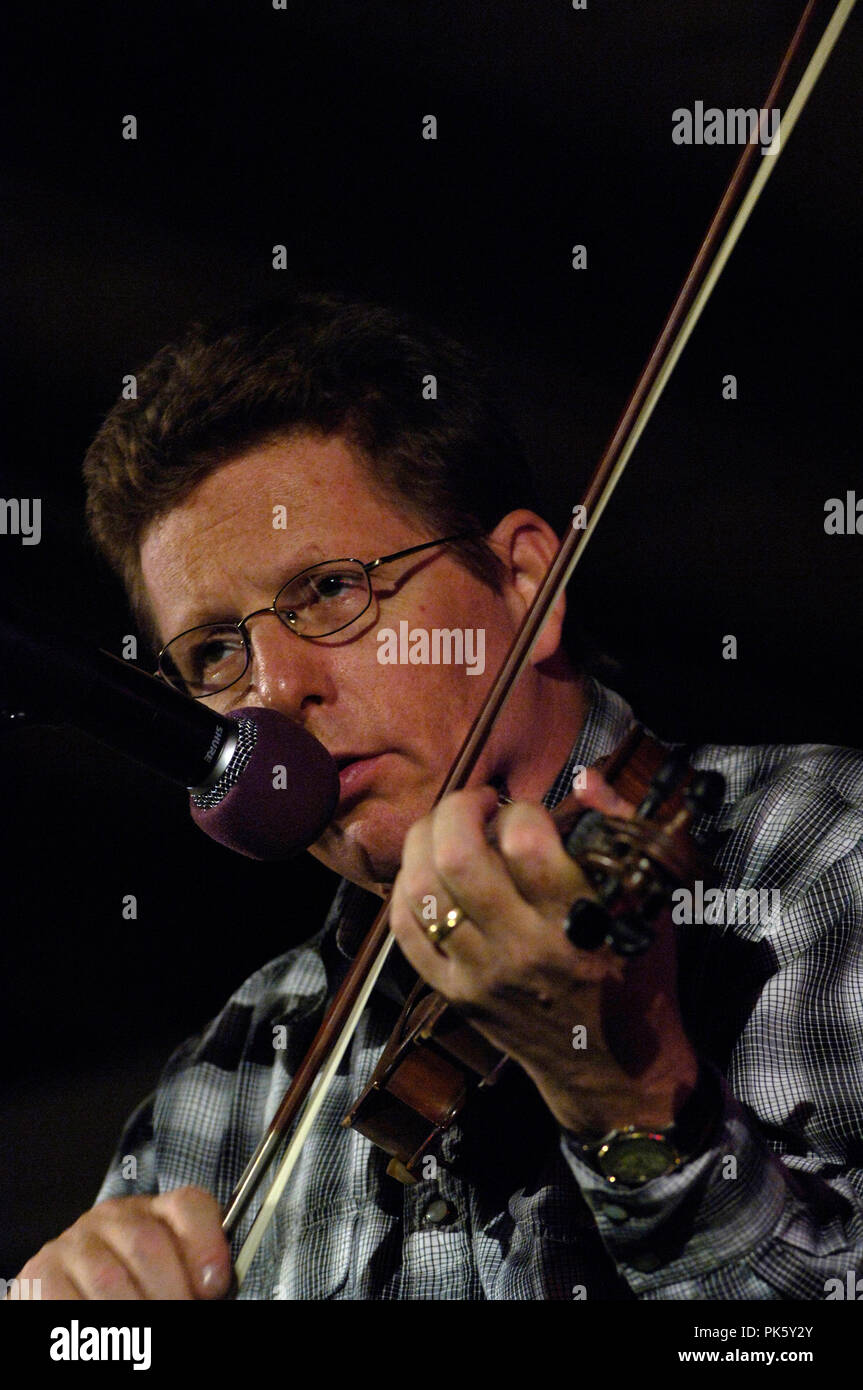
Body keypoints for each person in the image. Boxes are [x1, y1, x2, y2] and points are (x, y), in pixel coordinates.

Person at [14, 292, 863, 1300]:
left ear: (524, 584)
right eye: (213, 650)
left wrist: (631, 1100)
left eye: (329, 590)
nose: (274, 689)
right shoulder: (226, 1079)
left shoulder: (824, 858)